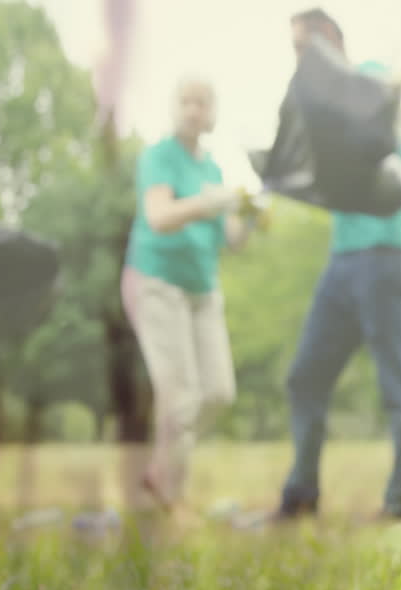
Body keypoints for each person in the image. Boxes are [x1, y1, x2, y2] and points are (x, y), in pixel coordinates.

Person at [272, 8, 401, 522]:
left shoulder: (369, 77)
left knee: (395, 382)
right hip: (342, 262)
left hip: (384, 257)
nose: (298, 57)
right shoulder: (312, 104)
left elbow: (382, 116)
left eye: (303, 46)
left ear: (330, 39)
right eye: (292, 49)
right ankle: (302, 493)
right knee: (306, 377)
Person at [122, 74, 255, 512]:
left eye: (202, 101)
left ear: (212, 111)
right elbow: (159, 216)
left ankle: (159, 474)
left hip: (202, 288)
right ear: (173, 107)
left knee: (217, 393)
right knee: (181, 397)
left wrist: (250, 213)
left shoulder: (212, 169)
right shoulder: (159, 157)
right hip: (157, 282)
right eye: (185, 100)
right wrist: (209, 203)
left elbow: (229, 239)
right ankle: (169, 499)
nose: (193, 109)